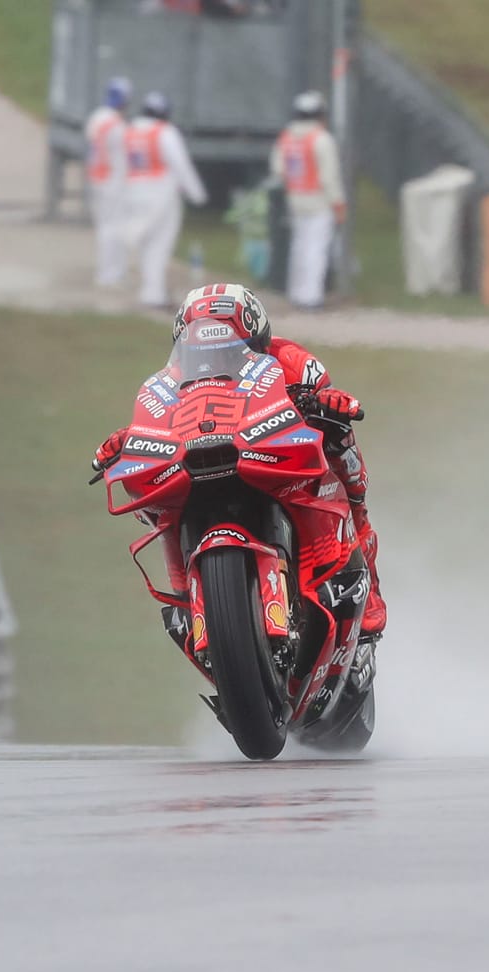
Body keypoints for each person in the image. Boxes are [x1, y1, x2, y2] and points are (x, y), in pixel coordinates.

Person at [92, 283, 387, 636]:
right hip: (202, 462)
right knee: (155, 506)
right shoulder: (165, 384)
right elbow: (154, 420)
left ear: (257, 339)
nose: (212, 363)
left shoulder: (293, 362)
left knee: (342, 456)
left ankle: (366, 585)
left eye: (229, 352)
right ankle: (187, 595)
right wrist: (127, 441)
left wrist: (329, 405)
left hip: (271, 454)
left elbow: (327, 398)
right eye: (200, 354)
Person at [123, 91, 207, 309]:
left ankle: (150, 290)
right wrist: (197, 194)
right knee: (159, 244)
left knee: (145, 244)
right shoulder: (165, 132)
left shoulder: (131, 131)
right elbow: (181, 165)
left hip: (134, 190)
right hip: (161, 193)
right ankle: (153, 294)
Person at [270, 90, 346, 309]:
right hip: (319, 200)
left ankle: (297, 292)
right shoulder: (321, 139)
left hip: (295, 198)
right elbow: (329, 177)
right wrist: (338, 203)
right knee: (316, 249)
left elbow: (278, 169)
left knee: (299, 246)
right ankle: (311, 297)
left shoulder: (287, 137)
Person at [84, 77, 132, 288]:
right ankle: (111, 273)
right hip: (113, 180)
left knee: (104, 226)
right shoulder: (117, 124)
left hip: (96, 177)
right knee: (113, 228)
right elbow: (123, 155)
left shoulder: (96, 117)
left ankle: (109, 272)